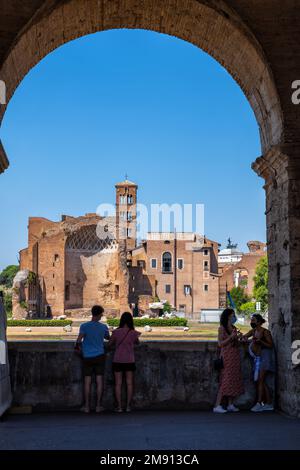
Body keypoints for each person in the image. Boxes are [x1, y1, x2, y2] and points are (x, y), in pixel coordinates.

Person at [75, 305, 110, 413]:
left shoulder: (84, 326)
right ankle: (98, 406)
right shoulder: (103, 327)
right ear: (99, 314)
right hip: (99, 355)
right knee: (99, 381)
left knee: (87, 382)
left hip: (87, 356)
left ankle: (86, 407)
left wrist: (79, 350)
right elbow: (108, 338)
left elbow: (78, 340)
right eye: (101, 314)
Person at [241, 313, 275, 412]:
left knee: (260, 380)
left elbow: (270, 345)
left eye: (254, 320)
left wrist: (261, 342)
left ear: (259, 322)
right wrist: (243, 338)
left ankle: (260, 403)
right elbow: (245, 336)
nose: (252, 322)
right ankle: (268, 403)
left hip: (265, 358)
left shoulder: (265, 332)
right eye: (251, 320)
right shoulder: (254, 330)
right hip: (258, 359)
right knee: (261, 381)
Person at [108, 311, 141, 412]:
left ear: (121, 320)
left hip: (118, 359)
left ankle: (119, 407)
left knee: (118, 384)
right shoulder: (133, 333)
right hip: (129, 359)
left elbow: (109, 344)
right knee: (129, 383)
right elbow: (137, 343)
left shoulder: (116, 332)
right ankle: (128, 406)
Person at [213, 308, 244, 413]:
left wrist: (239, 338)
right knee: (225, 380)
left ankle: (230, 404)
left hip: (234, 356)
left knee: (233, 380)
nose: (234, 317)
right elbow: (220, 343)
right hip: (226, 356)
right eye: (232, 315)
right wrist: (231, 337)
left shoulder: (234, 328)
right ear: (227, 316)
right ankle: (217, 405)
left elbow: (236, 344)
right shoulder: (222, 328)